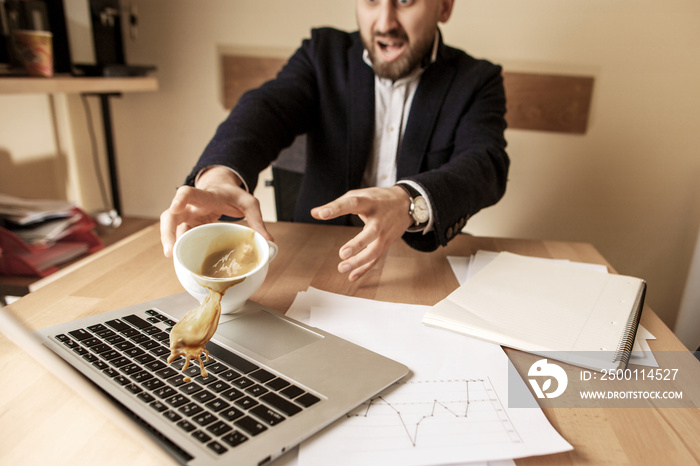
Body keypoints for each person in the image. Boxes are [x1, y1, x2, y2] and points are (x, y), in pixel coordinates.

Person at [161, 0, 509, 282]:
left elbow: (486, 163)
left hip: (416, 269)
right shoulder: (321, 54)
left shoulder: (478, 80)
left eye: (405, 1)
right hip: (314, 266)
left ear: (444, 7)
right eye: (372, 0)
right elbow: (267, 108)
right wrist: (218, 176)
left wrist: (408, 202)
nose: (385, 22)